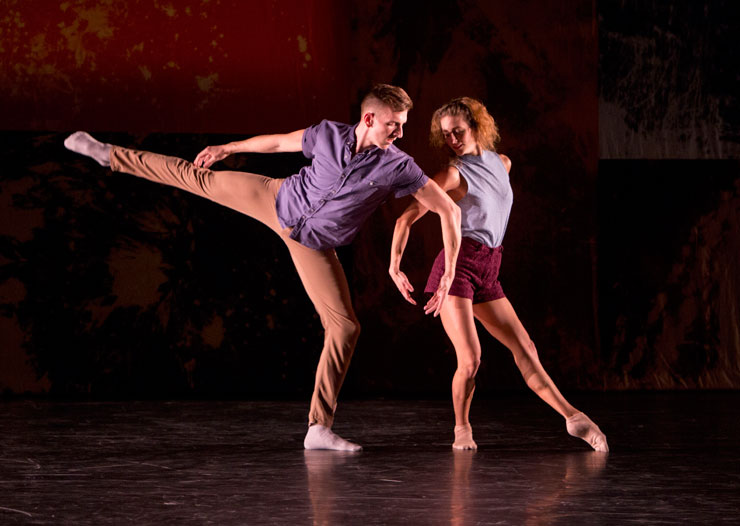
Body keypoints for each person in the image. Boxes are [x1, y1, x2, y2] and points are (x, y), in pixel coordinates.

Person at [64, 84, 461, 451]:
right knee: (197, 177)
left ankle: (318, 428)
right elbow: (277, 143)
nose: (400, 134)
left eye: (403, 126)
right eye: (394, 125)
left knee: (345, 327)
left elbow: (448, 209)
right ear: (370, 119)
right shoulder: (327, 134)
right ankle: (109, 155)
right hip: (275, 200)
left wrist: (446, 274)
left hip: (313, 244)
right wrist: (227, 148)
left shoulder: (399, 166)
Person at [390, 97, 608, 452]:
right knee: (472, 358)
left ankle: (574, 419)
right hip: (457, 266)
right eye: (445, 135)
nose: (452, 140)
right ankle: (462, 429)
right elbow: (406, 216)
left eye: (458, 132)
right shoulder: (451, 173)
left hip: (490, 266)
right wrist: (394, 265)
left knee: (526, 347)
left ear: (476, 127)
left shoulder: (502, 164)